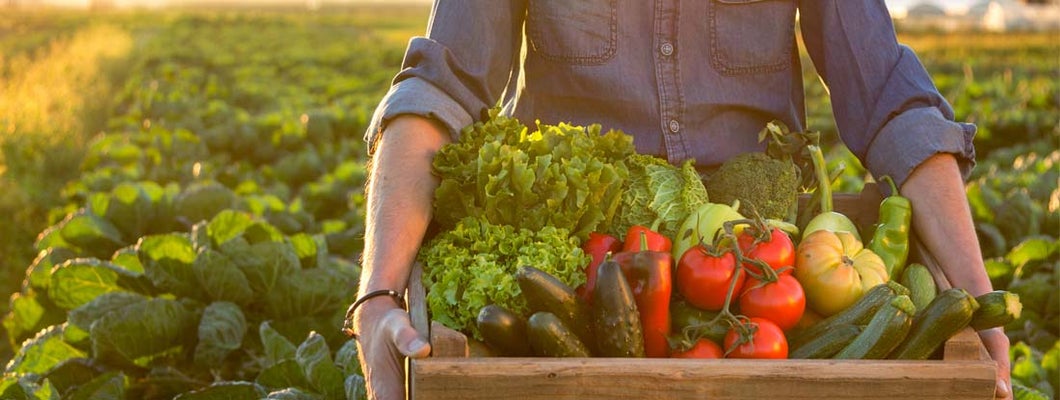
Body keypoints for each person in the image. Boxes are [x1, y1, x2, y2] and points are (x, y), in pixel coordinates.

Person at [349, 1, 1012, 399]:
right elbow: (437, 91)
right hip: (570, 273)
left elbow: (892, 99)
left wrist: (977, 300)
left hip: (760, 269)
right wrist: (378, 295)